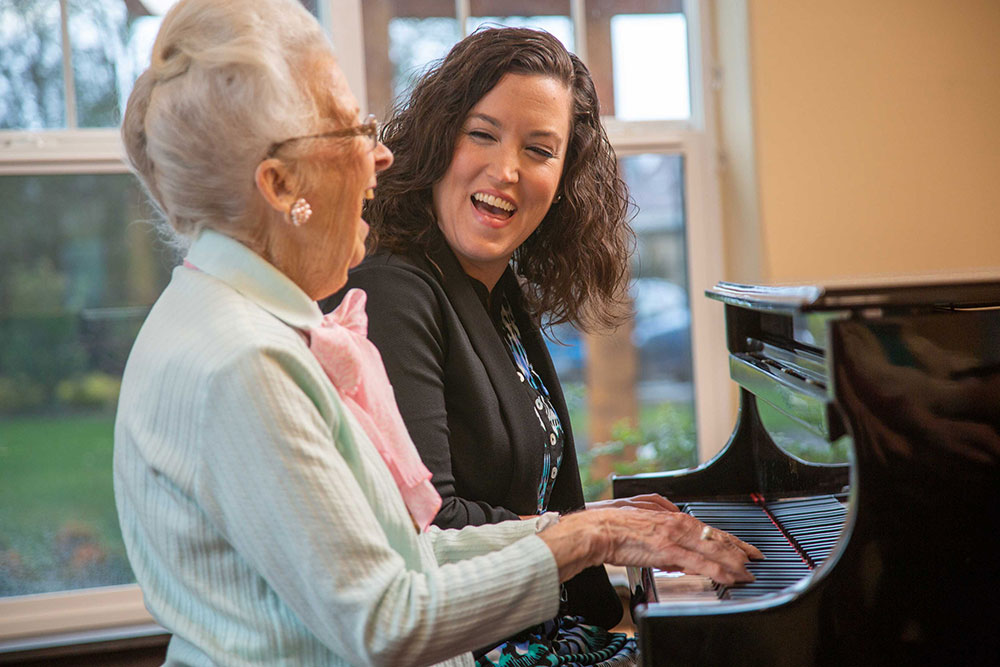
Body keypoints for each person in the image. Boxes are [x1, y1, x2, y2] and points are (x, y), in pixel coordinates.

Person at [114, 2, 761, 665]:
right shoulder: (243, 360)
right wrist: (587, 536)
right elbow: (387, 620)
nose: (383, 154)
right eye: (352, 130)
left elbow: (406, 550)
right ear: (283, 186)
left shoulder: (242, 323)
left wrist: (594, 529)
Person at [320, 27, 670, 635]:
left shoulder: (495, 290)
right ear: (437, 142)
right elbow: (427, 530)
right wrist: (590, 534)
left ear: (565, 179)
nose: (506, 169)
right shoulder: (392, 292)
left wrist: (611, 564)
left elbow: (543, 507)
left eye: (539, 150)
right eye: (482, 134)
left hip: (541, 627)